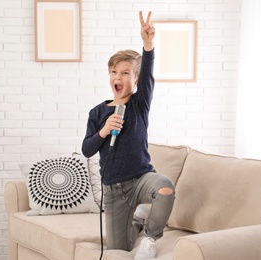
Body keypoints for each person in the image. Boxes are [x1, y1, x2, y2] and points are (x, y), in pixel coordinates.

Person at [82, 11, 175, 259]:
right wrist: (103, 131)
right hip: (113, 190)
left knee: (165, 188)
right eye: (114, 72)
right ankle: (137, 220)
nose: (118, 77)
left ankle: (151, 239)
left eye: (125, 73)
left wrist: (148, 45)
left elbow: (148, 77)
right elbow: (87, 149)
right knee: (118, 250)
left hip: (141, 179)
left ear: (134, 80)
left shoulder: (139, 104)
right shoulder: (97, 112)